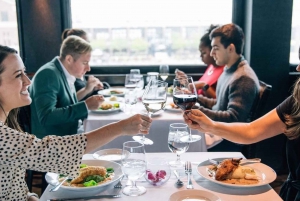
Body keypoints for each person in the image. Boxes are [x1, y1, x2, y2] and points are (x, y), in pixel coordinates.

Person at [0, 44, 152, 200]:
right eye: (18, 75)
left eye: (25, 72)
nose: (28, 81)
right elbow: (53, 153)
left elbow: (13, 183)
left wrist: (31, 197)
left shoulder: (8, 126)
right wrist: (120, 128)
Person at [183, 46, 300, 201]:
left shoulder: (243, 76)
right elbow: (252, 130)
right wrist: (210, 126)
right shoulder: (297, 101)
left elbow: (234, 116)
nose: (298, 68)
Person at [195, 23, 260, 151]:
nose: (212, 53)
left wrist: (199, 111)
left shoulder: (243, 78)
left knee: (182, 139)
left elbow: (233, 118)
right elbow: (220, 103)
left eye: (216, 48)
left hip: (228, 142)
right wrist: (195, 99)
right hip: (219, 133)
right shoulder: (228, 70)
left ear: (230, 48)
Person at [30, 36, 104, 138]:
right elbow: (46, 117)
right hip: (53, 142)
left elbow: (65, 103)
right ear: (69, 59)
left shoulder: (65, 72)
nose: (88, 68)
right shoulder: (48, 74)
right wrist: (85, 106)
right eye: (85, 63)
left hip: (70, 131)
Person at [175, 25, 225, 98]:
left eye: (204, 53)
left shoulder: (224, 71)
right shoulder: (211, 66)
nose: (200, 56)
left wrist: (203, 85)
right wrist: (187, 83)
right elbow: (199, 92)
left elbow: (218, 101)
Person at [62, 28, 103, 101]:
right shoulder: (65, 70)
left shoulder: (78, 64)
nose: (88, 69)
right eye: (85, 43)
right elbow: (68, 101)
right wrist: (86, 89)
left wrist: (93, 88)